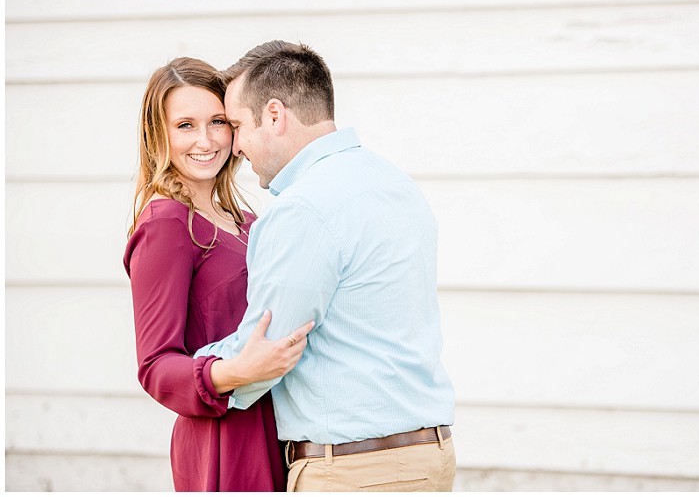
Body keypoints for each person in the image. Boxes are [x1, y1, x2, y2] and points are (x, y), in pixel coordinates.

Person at [193, 41, 456, 492]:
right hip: (426, 456)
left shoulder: (304, 208)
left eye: (236, 125)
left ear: (274, 115)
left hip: (354, 471)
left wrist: (189, 373)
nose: (234, 146)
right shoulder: (393, 183)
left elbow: (268, 348)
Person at [123, 57, 314, 492]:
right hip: (226, 438)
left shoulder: (247, 219)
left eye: (218, 122)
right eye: (185, 125)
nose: (205, 140)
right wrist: (235, 371)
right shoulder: (166, 225)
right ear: (159, 135)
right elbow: (155, 366)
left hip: (285, 425)